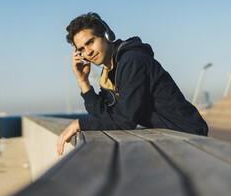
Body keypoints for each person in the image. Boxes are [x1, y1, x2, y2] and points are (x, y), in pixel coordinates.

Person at [56, 13, 208, 155]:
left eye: (90, 42)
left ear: (107, 36)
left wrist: (78, 123)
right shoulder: (111, 71)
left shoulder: (132, 61)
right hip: (172, 137)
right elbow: (102, 115)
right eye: (81, 49)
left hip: (190, 136)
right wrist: (83, 81)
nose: (88, 52)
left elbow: (125, 119)